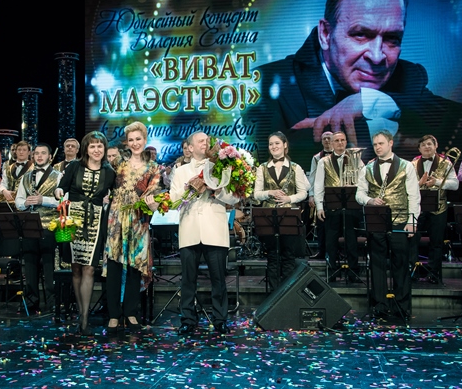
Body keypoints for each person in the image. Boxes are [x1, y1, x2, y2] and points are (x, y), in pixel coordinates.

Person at [255, 0, 462, 166]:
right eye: (361, 34)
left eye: (392, 38)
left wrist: (374, 101)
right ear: (325, 34)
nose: (377, 56)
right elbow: (269, 162)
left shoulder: (408, 76)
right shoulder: (266, 82)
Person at [170, 131, 240, 335]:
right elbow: (173, 200)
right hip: (190, 229)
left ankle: (220, 319)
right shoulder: (181, 171)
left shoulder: (220, 167)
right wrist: (191, 188)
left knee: (218, 278)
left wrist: (217, 190)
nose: (205, 143)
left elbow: (234, 198)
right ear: (190, 148)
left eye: (207, 140)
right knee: (188, 279)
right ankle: (188, 319)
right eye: (200, 141)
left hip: (214, 230)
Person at [54, 132, 116, 334]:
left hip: (96, 221)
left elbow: (114, 196)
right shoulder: (74, 166)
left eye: (100, 146)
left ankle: (84, 318)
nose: (96, 150)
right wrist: (58, 192)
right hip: (73, 219)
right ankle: (81, 312)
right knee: (76, 269)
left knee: (89, 268)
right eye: (92, 146)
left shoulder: (109, 172)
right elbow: (61, 188)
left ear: (104, 149)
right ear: (86, 149)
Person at [103, 122, 161, 333]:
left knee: (135, 267)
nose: (135, 143)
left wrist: (153, 204)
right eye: (131, 140)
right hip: (116, 219)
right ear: (126, 142)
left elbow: (153, 195)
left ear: (145, 140)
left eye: (138, 139)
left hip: (138, 220)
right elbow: (105, 185)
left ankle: (130, 313)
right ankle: (113, 315)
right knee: (114, 266)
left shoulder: (153, 167)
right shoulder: (117, 162)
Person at [355, 130, 420, 319]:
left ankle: (402, 306)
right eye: (375, 144)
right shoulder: (367, 168)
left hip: (400, 221)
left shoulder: (407, 166)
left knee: (401, 264)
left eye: (381, 143)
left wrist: (412, 222)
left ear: (391, 143)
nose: (377, 147)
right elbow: (359, 194)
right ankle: (380, 305)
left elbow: (414, 195)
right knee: (377, 264)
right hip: (377, 221)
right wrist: (370, 200)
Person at [253, 131, 309, 291]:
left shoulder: (295, 167)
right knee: (272, 256)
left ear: (285, 145)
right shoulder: (262, 168)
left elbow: (303, 193)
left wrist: (288, 199)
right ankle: (273, 295)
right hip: (269, 218)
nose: (273, 146)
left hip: (289, 217)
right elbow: (256, 194)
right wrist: (269, 193)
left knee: (288, 256)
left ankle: (287, 295)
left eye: (277, 143)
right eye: (271, 144)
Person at [15, 143, 63, 315]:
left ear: (50, 157)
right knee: (29, 265)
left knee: (50, 267)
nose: (40, 156)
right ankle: (31, 302)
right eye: (37, 153)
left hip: (50, 227)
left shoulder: (59, 176)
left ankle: (52, 303)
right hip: (30, 226)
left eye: (43, 153)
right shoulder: (26, 177)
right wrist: (25, 203)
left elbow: (64, 201)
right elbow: (18, 201)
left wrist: (44, 200)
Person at [314, 131, 364, 282]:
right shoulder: (323, 161)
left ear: (346, 142)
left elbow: (363, 182)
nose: (340, 143)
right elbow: (318, 185)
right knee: (331, 241)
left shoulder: (356, 160)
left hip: (351, 207)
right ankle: (333, 271)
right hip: (332, 206)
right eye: (337, 140)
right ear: (332, 143)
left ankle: (353, 271)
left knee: (351, 241)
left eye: (342, 140)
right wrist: (319, 206)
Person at [409, 135, 459, 284]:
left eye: (430, 144)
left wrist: (437, 182)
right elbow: (406, 185)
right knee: (412, 240)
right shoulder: (412, 164)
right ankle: (413, 272)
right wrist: (419, 183)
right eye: (423, 144)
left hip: (439, 207)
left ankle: (434, 274)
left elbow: (455, 184)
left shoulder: (446, 162)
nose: (427, 147)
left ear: (436, 146)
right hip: (417, 207)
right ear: (419, 148)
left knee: (436, 242)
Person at [307, 131, 333, 260]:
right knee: (321, 225)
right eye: (324, 139)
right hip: (321, 195)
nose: (327, 140)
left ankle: (337, 251)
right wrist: (311, 195)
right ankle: (321, 251)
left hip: (335, 194)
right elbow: (312, 178)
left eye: (329, 138)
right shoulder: (317, 158)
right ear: (321, 141)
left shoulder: (342, 156)